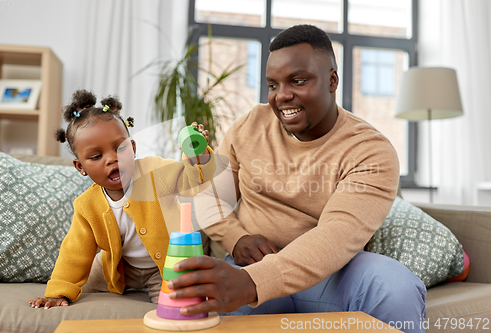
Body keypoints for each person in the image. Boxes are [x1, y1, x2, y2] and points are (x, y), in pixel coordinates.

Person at [165, 25, 427, 332]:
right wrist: (236, 240)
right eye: (272, 85)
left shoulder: (370, 150)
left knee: (395, 286)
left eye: (298, 81)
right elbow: (213, 196)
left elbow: (338, 234)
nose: (282, 96)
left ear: (332, 80)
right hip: (250, 266)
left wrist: (252, 282)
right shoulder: (248, 127)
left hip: (330, 275)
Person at [28, 89, 215, 309]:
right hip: (117, 268)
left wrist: (198, 159)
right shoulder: (86, 206)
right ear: (81, 167)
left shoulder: (154, 172)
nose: (112, 159)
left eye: (120, 148)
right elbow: (74, 253)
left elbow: (191, 181)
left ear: (133, 148)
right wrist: (59, 293)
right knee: (82, 285)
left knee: (176, 306)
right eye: (96, 156)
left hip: (161, 268)